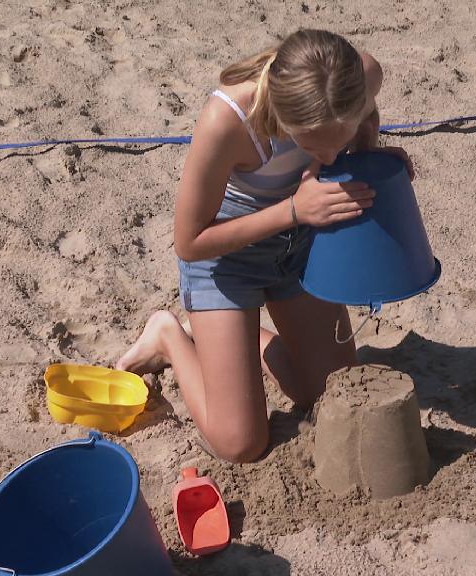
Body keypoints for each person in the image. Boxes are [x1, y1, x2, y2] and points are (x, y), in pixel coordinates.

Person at [117, 29, 411, 463]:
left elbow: (363, 119)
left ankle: (238, 335)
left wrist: (368, 149)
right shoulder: (229, 119)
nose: (330, 157)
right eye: (313, 145)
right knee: (241, 444)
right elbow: (189, 241)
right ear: (283, 117)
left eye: (338, 140)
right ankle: (168, 335)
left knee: (330, 394)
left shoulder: (359, 74)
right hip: (227, 257)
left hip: (298, 244)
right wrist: (294, 210)